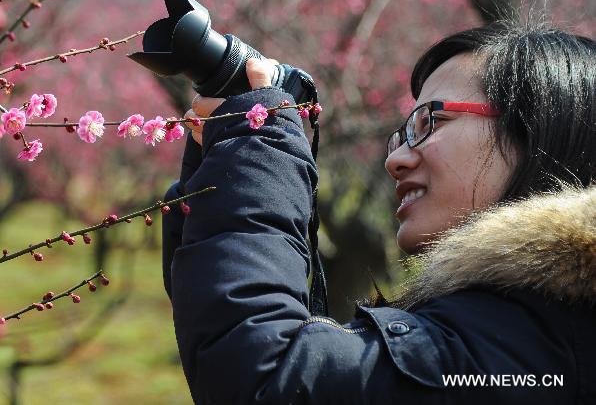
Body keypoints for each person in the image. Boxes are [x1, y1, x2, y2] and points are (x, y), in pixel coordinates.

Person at [161, 22, 596, 404]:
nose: (396, 160)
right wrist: (218, 179)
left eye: (429, 122)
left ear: (539, 130)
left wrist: (261, 147)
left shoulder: (521, 346)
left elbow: (268, 377)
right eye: (402, 135)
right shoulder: (528, 331)